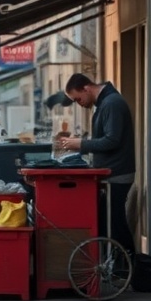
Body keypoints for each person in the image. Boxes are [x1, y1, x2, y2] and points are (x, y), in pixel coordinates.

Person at [61, 73, 136, 255]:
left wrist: (81, 145)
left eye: (78, 99)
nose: (79, 103)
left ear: (86, 88)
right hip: (111, 173)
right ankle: (122, 266)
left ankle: (128, 267)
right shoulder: (105, 103)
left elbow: (112, 140)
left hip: (116, 174)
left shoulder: (111, 103)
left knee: (114, 224)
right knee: (108, 222)